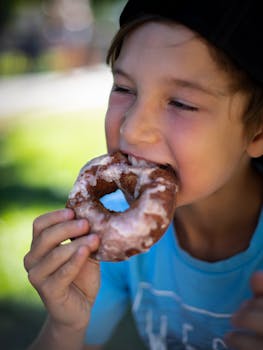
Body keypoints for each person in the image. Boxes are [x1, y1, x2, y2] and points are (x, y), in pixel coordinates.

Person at [24, 0, 263, 349]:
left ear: (256, 131)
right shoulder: (116, 235)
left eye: (181, 103)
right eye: (124, 89)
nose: (132, 129)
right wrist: (65, 328)